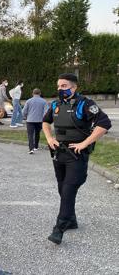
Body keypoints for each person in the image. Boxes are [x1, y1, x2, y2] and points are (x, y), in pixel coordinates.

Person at [42, 73, 111, 245]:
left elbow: (104, 124)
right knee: (62, 189)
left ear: (74, 87)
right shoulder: (56, 104)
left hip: (77, 156)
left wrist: (85, 143)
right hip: (59, 154)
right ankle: (71, 219)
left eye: (64, 86)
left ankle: (59, 228)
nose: (60, 89)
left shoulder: (85, 104)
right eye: (58, 86)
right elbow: (45, 121)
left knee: (68, 190)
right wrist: (50, 138)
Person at [22, 88, 48, 154]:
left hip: (30, 120)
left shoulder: (28, 101)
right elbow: (46, 111)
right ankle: (36, 146)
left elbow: (24, 111)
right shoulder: (44, 101)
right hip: (40, 120)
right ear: (40, 93)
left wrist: (25, 117)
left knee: (30, 135)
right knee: (37, 133)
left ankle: (31, 149)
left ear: (32, 94)